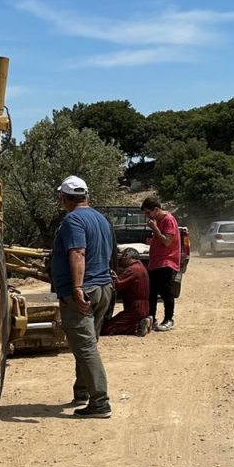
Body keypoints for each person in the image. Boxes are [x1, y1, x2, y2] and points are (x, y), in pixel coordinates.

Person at [51, 175, 114, 418]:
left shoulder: (73, 220)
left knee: (86, 347)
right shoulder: (100, 219)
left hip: (82, 292)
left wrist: (77, 288)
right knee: (87, 343)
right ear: (85, 195)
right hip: (102, 289)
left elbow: (78, 252)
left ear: (64, 198)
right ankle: (82, 392)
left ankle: (100, 403)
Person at [142, 196, 180, 331]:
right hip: (155, 262)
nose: (148, 217)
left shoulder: (168, 220)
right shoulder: (158, 221)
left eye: (148, 213)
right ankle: (151, 317)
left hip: (166, 261)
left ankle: (169, 319)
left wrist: (155, 229)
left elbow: (167, 241)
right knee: (151, 292)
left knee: (165, 292)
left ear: (156, 209)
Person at [102, 248, 152, 337]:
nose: (121, 261)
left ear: (127, 257)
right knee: (124, 322)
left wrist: (109, 278)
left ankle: (138, 326)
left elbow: (116, 285)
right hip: (143, 307)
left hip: (135, 308)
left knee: (107, 328)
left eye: (122, 258)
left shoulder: (132, 270)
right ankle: (142, 322)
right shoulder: (141, 268)